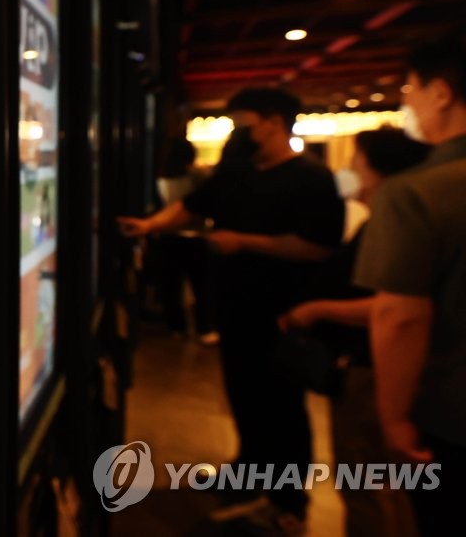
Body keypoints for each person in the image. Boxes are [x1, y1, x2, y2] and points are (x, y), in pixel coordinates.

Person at [118, 87, 344, 534]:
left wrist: (244, 242)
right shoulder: (238, 173)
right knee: (243, 394)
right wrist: (148, 225)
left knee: (283, 405)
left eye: (245, 124)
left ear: (274, 123)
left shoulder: (312, 179)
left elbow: (318, 247)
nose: (239, 134)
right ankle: (246, 473)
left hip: (284, 312)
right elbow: (190, 207)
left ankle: (288, 501)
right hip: (236, 307)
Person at [279, 127, 430, 537]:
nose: (349, 172)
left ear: (382, 172)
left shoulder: (393, 226)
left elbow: (394, 308)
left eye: (357, 164)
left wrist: (317, 309)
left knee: (368, 482)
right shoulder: (389, 221)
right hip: (373, 364)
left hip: (373, 368)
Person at [352, 36, 466, 537]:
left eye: (410, 90)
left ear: (440, 93)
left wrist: (394, 419)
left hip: (451, 416)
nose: (408, 103)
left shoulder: (416, 191)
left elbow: (399, 315)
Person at [153, 136, 217, 343]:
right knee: (201, 286)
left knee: (172, 286)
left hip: (167, 236)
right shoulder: (196, 176)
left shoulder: (160, 177)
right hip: (196, 236)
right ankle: (204, 328)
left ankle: (176, 327)